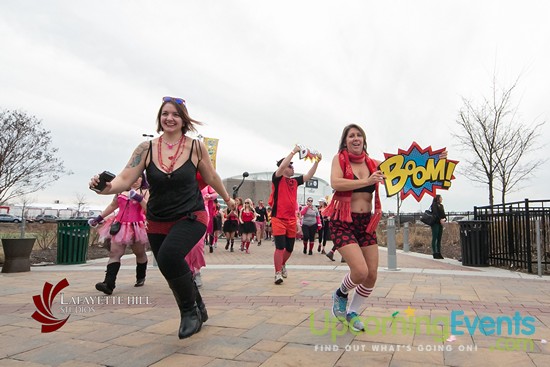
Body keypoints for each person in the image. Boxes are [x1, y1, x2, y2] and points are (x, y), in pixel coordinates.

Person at [89, 96, 234, 340]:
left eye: (176, 114)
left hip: (191, 216)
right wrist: (103, 187)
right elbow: (124, 179)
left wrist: (228, 199)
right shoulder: (145, 149)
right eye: (165, 113)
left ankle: (189, 313)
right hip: (157, 219)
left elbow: (211, 178)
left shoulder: (195, 147)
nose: (170, 118)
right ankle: (200, 306)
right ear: (160, 117)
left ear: (183, 120)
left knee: (168, 256)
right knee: (168, 266)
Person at [324, 123, 385, 332]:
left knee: (372, 275)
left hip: (366, 223)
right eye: (351, 135)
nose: (355, 138)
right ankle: (340, 294)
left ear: (364, 140)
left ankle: (352, 312)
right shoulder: (339, 160)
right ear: (345, 141)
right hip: (343, 220)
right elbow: (336, 183)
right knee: (359, 271)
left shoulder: (373, 163)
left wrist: (433, 163)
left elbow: (402, 169)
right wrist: (367, 181)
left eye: (359, 135)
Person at [89, 174, 149, 295]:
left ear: (142, 179)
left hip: (137, 226)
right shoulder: (120, 190)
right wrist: (98, 218)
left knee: (139, 253)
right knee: (114, 253)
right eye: (133, 177)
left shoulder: (145, 191)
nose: (136, 180)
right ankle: (108, 284)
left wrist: (139, 198)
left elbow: (149, 209)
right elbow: (113, 206)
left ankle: (140, 277)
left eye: (138, 177)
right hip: (119, 226)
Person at [269, 145, 320, 285]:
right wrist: (293, 152)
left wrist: (317, 161)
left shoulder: (294, 181)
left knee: (290, 248)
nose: (292, 168)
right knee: (280, 247)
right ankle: (277, 273)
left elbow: (309, 176)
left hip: (291, 219)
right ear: (283, 167)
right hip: (278, 218)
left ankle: (282, 264)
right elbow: (282, 166)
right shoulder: (277, 178)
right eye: (290, 166)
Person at [430, 194, 447, 259]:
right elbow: (435, 213)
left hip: (441, 223)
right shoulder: (434, 205)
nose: (442, 199)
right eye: (441, 197)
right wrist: (440, 219)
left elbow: (443, 214)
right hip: (435, 223)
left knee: (439, 238)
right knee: (435, 237)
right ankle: (435, 252)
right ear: (438, 198)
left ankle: (439, 252)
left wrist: (444, 219)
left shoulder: (441, 206)